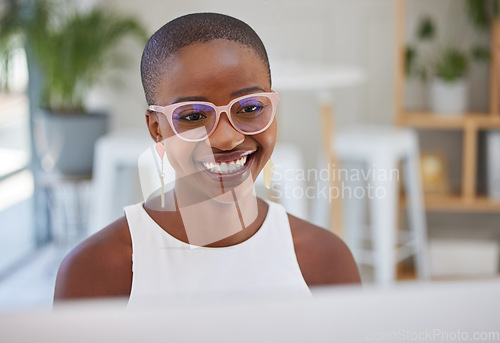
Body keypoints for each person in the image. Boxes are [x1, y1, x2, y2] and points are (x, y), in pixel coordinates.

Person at [54, 13, 360, 303]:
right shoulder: (98, 270)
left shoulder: (322, 260)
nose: (228, 138)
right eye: (194, 115)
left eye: (250, 108)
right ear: (156, 128)